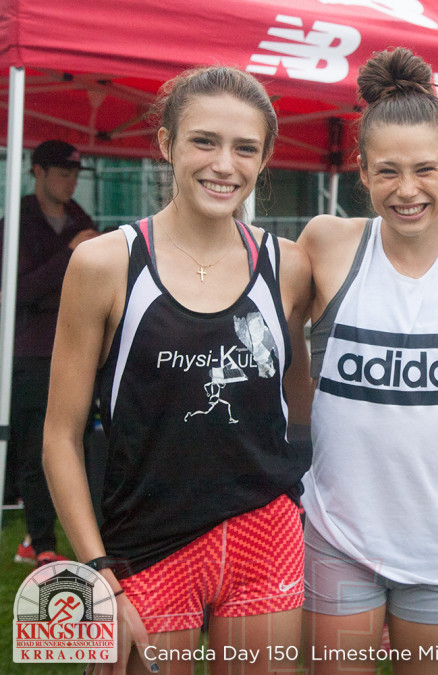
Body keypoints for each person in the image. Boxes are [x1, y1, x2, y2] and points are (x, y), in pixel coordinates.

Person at [42, 66, 313, 674]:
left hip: (264, 533)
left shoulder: (288, 267)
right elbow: (59, 436)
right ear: (166, 144)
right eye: (204, 141)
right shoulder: (104, 263)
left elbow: (303, 403)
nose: (225, 165)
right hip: (142, 550)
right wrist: (99, 575)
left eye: (246, 148)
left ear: (266, 158)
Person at [297, 47, 438, 675]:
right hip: (338, 536)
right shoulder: (328, 244)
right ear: (361, 171)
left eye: (423, 170)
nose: (407, 190)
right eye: (387, 171)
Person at [0, 140, 97, 567]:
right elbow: (18, 293)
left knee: (84, 446)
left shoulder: (81, 218)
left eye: (75, 173)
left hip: (82, 348)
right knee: (38, 449)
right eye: (63, 172)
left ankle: (79, 536)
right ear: (37, 172)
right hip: (32, 353)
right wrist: (70, 255)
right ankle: (41, 543)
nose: (71, 180)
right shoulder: (15, 223)